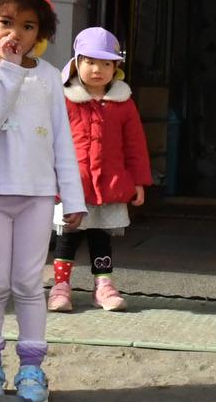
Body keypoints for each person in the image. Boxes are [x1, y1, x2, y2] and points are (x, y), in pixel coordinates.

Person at [0, 0, 85, 402]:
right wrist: (10, 70)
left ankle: (32, 367)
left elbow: (62, 139)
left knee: (30, 285)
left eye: (28, 25)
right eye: (5, 22)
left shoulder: (51, 76)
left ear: (41, 31)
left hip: (36, 194)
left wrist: (73, 196)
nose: (16, 32)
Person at [49, 27, 151, 313]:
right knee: (67, 236)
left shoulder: (123, 104)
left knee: (100, 236)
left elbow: (135, 145)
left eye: (106, 63)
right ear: (76, 62)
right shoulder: (64, 99)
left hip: (110, 183)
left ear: (116, 68)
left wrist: (139, 181)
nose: (98, 69)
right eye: (90, 62)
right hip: (72, 183)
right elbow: (50, 142)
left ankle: (103, 286)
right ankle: (60, 287)